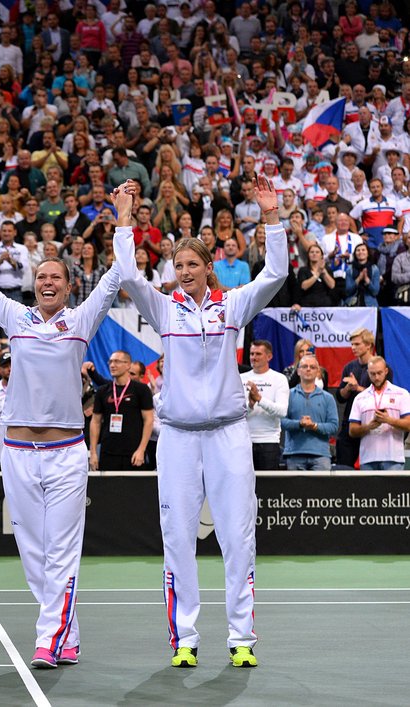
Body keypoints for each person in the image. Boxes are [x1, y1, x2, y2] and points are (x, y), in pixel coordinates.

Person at [113, 175, 288, 669]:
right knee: (178, 538)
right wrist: (125, 218)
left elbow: (275, 275)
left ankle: (241, 640)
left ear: (209, 269)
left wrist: (271, 217)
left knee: (238, 536)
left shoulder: (232, 304)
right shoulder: (164, 308)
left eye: (193, 264)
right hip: (179, 439)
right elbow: (128, 276)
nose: (185, 270)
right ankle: (185, 638)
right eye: (179, 265)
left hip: (230, 434)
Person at [0, 181, 124, 668]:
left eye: (56, 277)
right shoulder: (15, 317)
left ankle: (47, 638)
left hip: (67, 453)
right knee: (33, 552)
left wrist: (126, 216)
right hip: (18, 455)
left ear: (69, 286)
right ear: (34, 284)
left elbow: (116, 276)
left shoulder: (81, 320)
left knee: (62, 551)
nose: (48, 282)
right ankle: (66, 634)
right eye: (41, 276)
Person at [89, 350, 154, 471]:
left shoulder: (141, 390)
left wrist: (141, 450)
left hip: (134, 453)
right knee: (108, 489)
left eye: (117, 361)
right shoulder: (103, 391)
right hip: (108, 452)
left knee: (133, 490)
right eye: (111, 362)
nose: (112, 365)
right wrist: (93, 453)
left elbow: (149, 420)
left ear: (128, 365)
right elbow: (95, 422)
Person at [349, 357, 410, 471]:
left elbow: (408, 424)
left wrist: (388, 420)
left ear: (386, 371)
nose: (376, 377)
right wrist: (369, 426)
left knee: (393, 489)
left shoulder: (402, 394)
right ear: (368, 373)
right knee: (369, 490)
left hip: (393, 458)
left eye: (379, 373)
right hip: (368, 459)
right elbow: (352, 431)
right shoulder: (360, 398)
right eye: (372, 374)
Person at [281, 355, 339, 471]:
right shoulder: (287, 395)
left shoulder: (328, 398)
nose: (308, 369)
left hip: (321, 455)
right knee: (296, 490)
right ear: (298, 371)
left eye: (312, 367)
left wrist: (314, 426)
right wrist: (299, 424)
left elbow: (334, 426)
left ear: (318, 372)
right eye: (304, 366)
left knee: (321, 489)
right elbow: (281, 422)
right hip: (294, 454)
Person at [240, 340, 290, 471]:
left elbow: (282, 411)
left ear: (269, 356)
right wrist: (250, 404)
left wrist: (259, 399)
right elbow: (234, 411)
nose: (254, 357)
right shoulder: (241, 378)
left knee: (267, 487)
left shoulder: (279, 379)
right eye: (251, 354)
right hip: (243, 441)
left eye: (258, 354)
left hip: (269, 441)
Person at [335, 328, 375, 467]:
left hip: (371, 424)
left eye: (357, 344)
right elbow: (340, 397)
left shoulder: (380, 368)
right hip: (350, 422)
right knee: (343, 468)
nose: (353, 348)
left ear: (368, 345)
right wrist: (348, 388)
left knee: (371, 469)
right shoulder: (349, 367)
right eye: (352, 344)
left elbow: (380, 396)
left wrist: (358, 388)